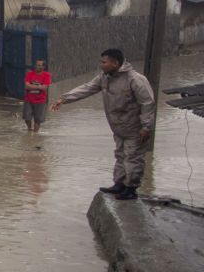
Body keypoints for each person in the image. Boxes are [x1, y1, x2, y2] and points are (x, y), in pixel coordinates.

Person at [50, 48, 155, 201]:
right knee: (120, 155)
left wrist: (146, 127)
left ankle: (131, 189)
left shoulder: (135, 79)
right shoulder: (105, 78)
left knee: (132, 158)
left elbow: (147, 103)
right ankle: (119, 184)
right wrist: (64, 99)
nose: (101, 65)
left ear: (116, 63)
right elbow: (87, 88)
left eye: (104, 62)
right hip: (118, 127)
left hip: (135, 128)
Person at [23, 58, 52, 133]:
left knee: (38, 119)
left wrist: (31, 86)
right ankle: (29, 130)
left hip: (40, 100)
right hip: (28, 99)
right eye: (36, 65)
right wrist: (39, 86)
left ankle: (35, 134)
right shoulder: (29, 74)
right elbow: (26, 86)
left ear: (43, 67)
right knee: (27, 117)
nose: (37, 67)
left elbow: (45, 87)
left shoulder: (47, 75)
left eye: (39, 65)